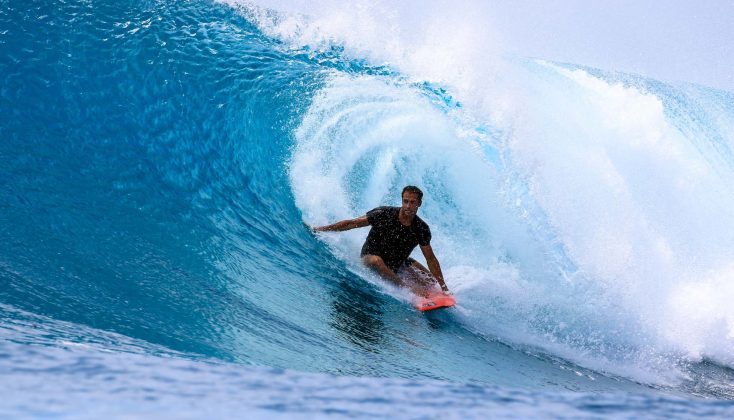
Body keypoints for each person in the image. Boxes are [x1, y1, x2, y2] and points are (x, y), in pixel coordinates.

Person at [310, 186, 450, 297]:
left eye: (412, 202)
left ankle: (438, 290)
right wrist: (320, 229)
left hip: (398, 261)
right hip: (371, 257)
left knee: (432, 282)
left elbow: (430, 259)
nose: (408, 206)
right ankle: (407, 289)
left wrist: (444, 288)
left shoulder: (421, 228)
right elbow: (351, 223)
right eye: (405, 201)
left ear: (419, 203)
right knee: (377, 261)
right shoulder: (384, 214)